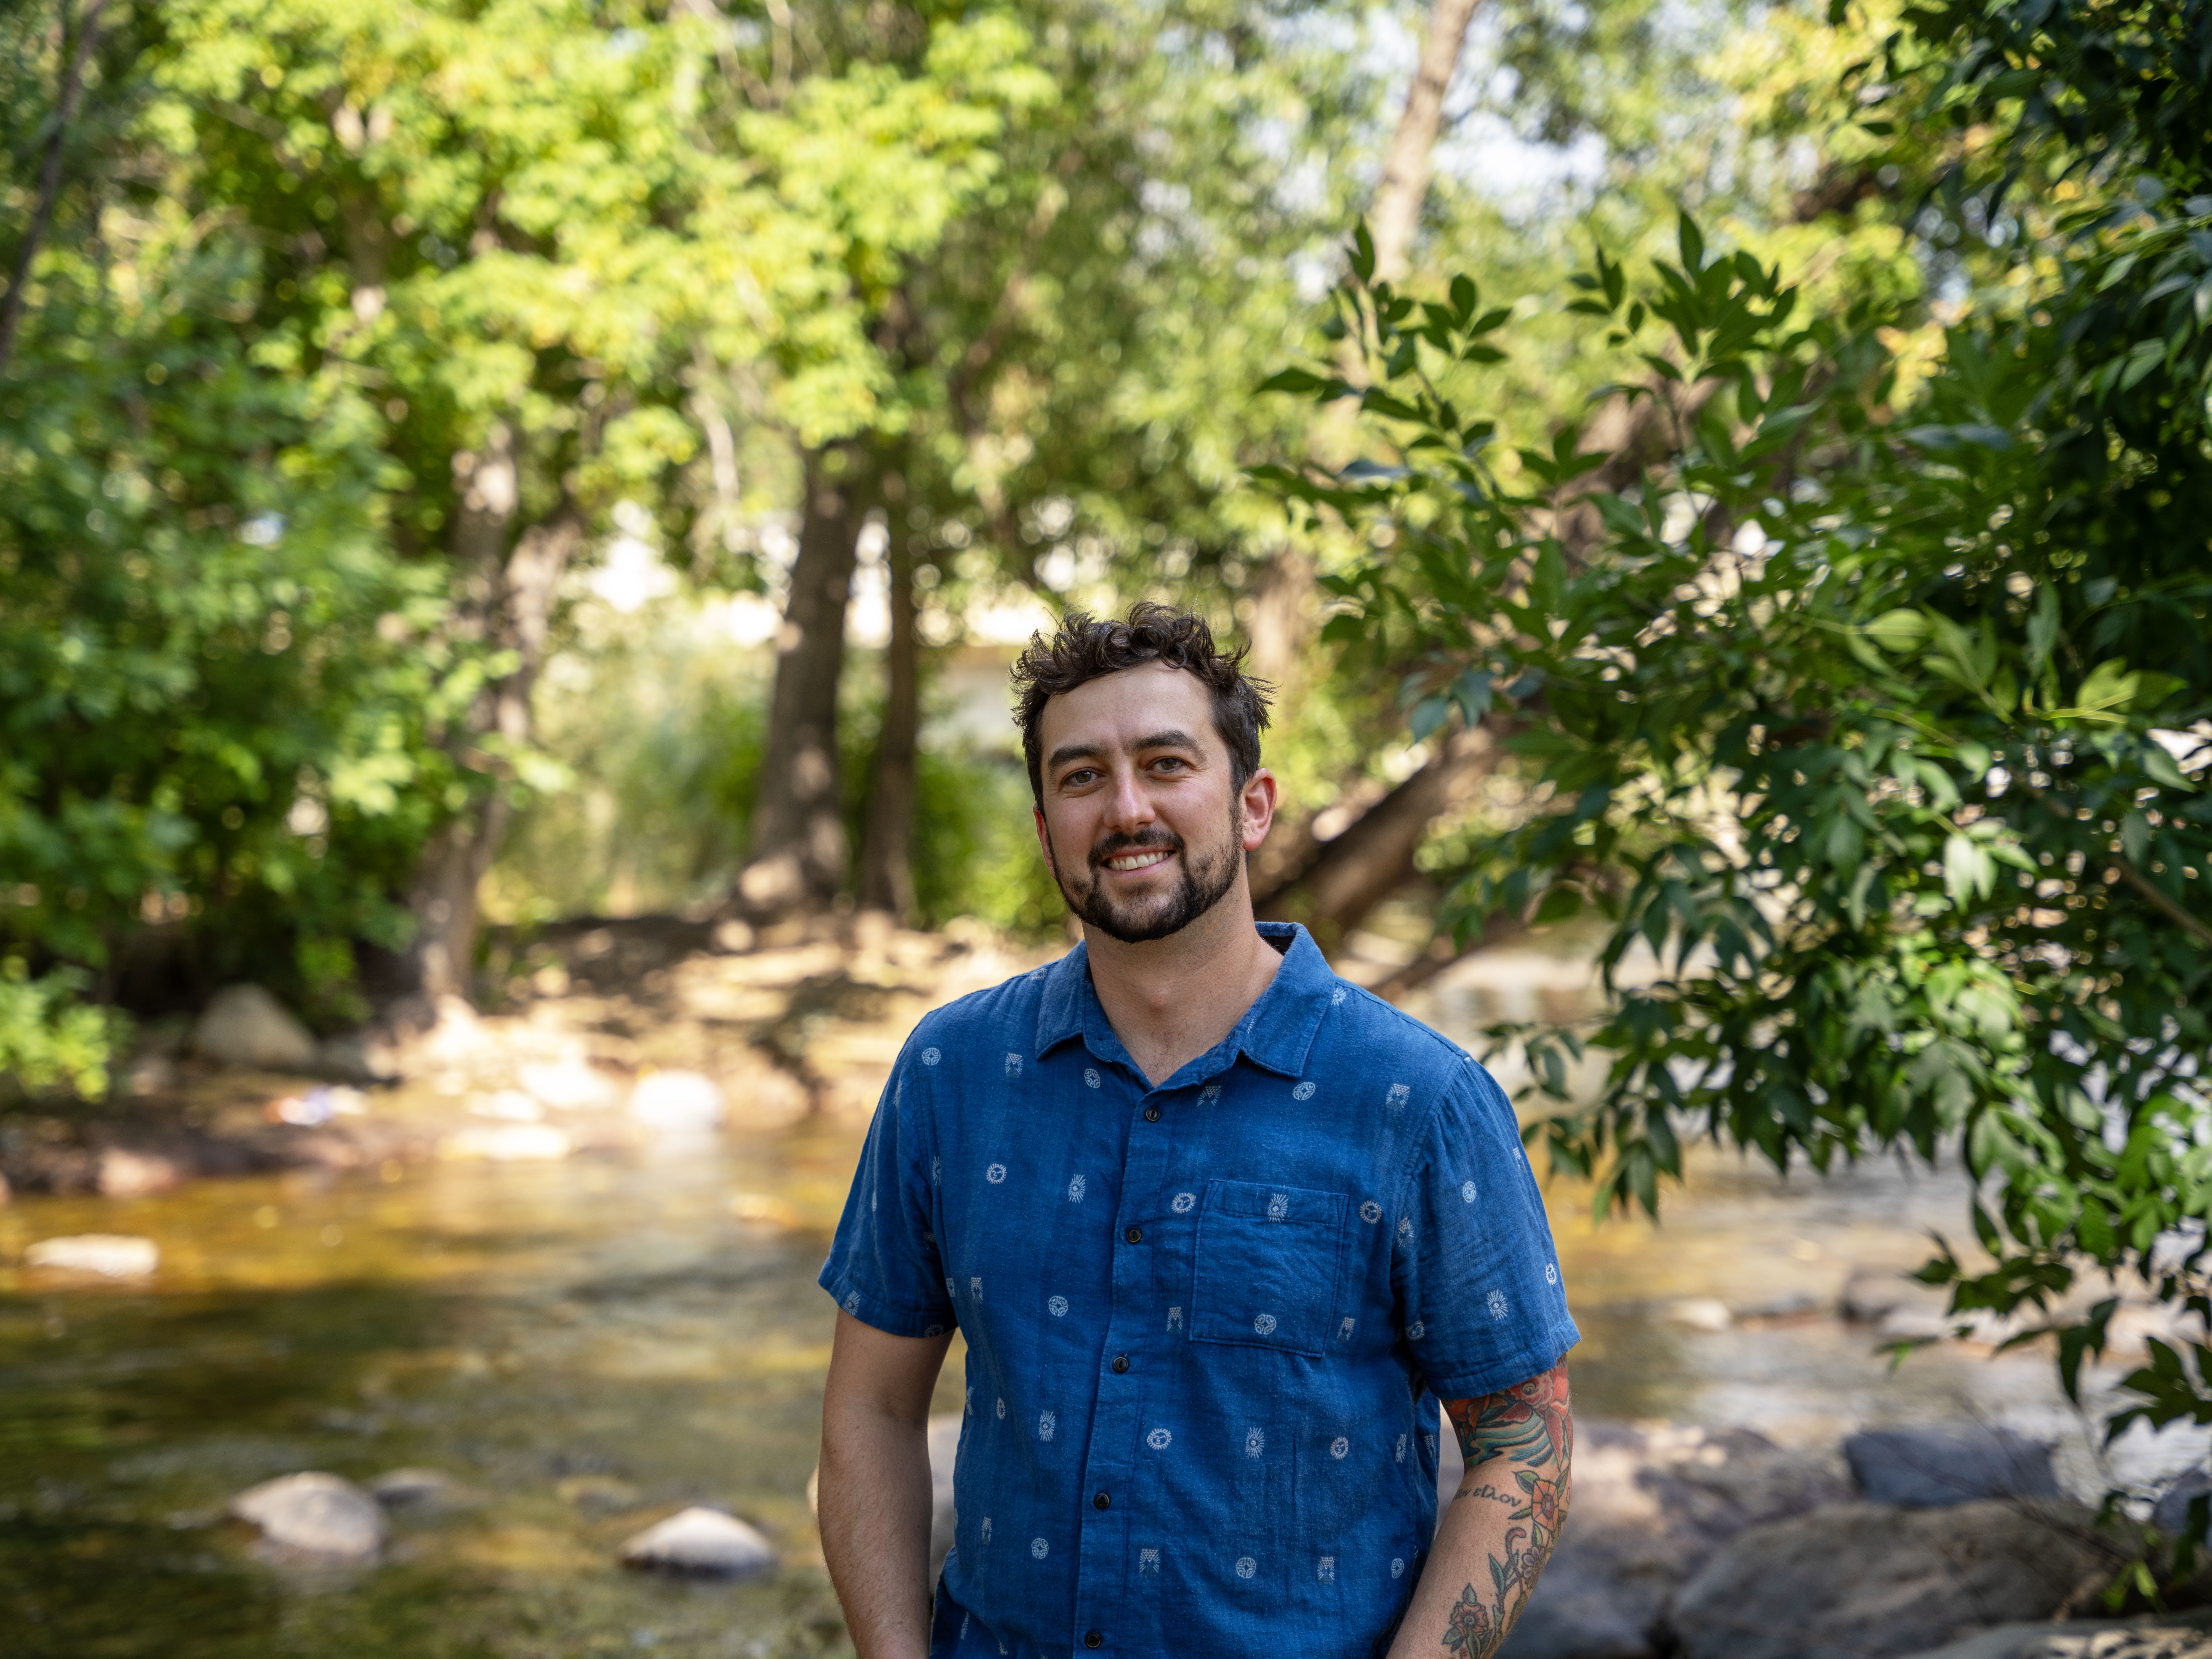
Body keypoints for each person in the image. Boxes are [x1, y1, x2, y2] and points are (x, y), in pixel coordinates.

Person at [817, 604, 1578, 1659]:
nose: (1127, 808)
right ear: (1046, 828)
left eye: (1167, 764)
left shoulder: (1421, 1100)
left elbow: (1521, 1448)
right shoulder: (951, 1076)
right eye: (1081, 777)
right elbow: (873, 1413)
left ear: (1252, 803)